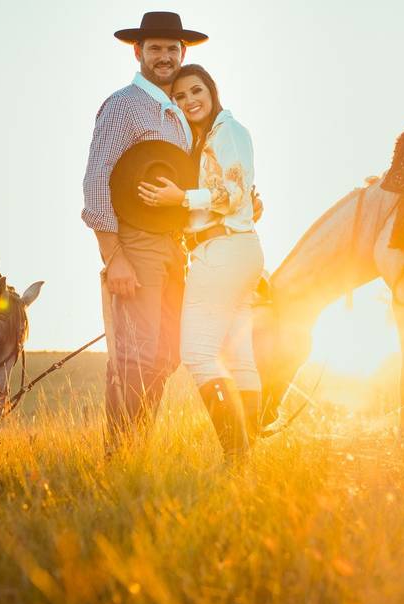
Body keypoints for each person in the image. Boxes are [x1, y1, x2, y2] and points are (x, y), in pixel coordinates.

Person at [81, 12, 208, 454]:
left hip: (174, 247)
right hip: (136, 243)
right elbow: (96, 182)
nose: (165, 56)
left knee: (170, 352)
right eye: (155, 48)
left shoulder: (177, 114)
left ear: (183, 53)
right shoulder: (124, 106)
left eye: (172, 49)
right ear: (138, 52)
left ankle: (137, 443)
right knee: (135, 355)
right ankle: (121, 456)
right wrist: (113, 254)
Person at [138, 64, 264, 463]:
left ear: (212, 93)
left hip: (224, 251)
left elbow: (232, 190)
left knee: (197, 353)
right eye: (180, 97)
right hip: (235, 249)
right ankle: (246, 457)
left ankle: (235, 454)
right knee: (238, 355)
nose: (190, 101)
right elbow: (240, 194)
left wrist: (181, 199)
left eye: (197, 92)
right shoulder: (208, 137)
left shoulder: (230, 131)